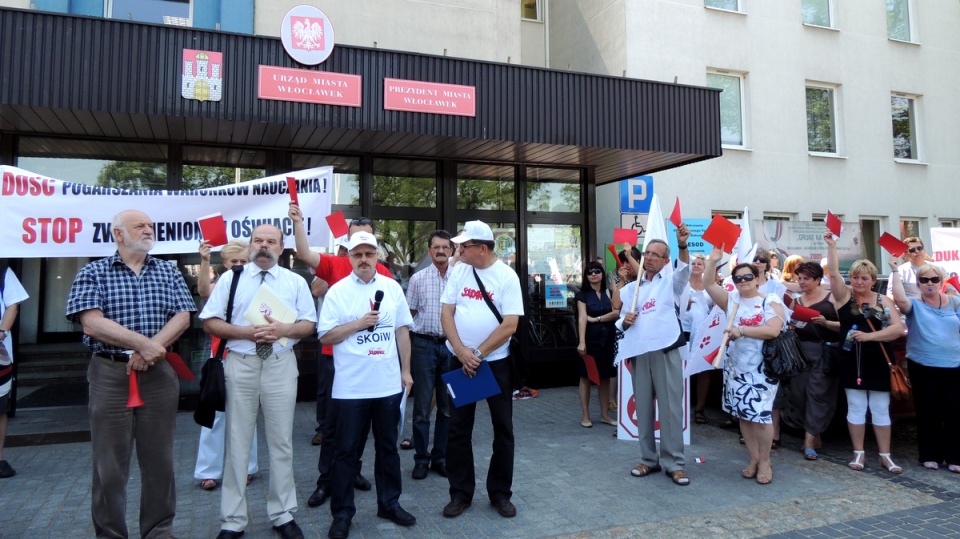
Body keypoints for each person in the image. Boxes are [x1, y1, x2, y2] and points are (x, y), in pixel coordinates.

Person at [65, 210, 196, 538]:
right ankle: (110, 534)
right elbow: (91, 322)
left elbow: (183, 316)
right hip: (110, 373)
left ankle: (158, 531)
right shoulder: (93, 272)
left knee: (160, 462)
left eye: (151, 225)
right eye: (140, 226)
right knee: (109, 466)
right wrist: (142, 344)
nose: (149, 230)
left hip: (158, 375)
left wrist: (152, 350)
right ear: (119, 234)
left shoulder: (168, 270)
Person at [200, 224, 317, 539]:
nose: (264, 246)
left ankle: (282, 514)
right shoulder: (230, 279)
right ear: (250, 246)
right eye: (258, 241)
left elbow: (309, 323)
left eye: (271, 241)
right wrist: (245, 333)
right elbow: (210, 322)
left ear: (281, 248)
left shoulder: (295, 281)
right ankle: (233, 520)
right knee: (237, 442)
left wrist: (284, 330)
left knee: (281, 442)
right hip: (241, 364)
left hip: (280, 364)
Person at [288, 205, 393, 506]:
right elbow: (305, 254)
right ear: (347, 244)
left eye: (367, 241)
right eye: (356, 240)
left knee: (361, 424)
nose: (362, 248)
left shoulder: (383, 272)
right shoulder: (334, 265)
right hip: (335, 356)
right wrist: (298, 222)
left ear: (374, 246)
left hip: (368, 361)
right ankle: (326, 480)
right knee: (332, 425)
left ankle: (351, 471)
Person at [318, 231, 416, 539]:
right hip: (351, 388)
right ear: (349, 257)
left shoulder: (391, 287)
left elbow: (402, 331)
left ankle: (389, 503)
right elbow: (325, 336)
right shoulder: (337, 292)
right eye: (357, 254)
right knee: (346, 452)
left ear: (377, 257)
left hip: (387, 385)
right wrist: (358, 324)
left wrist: (406, 371)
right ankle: (343, 513)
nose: (363, 259)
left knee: (388, 449)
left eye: (368, 254)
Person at [440, 220, 524, 519]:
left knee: (503, 429)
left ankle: (500, 493)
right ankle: (460, 493)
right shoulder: (459, 270)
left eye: (464, 246)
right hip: (461, 362)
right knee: (458, 428)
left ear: (483, 249)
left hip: (496, 364)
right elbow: (446, 312)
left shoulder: (506, 277)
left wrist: (477, 353)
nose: (458, 249)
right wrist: (462, 353)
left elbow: (510, 325)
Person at [615, 223, 692, 487]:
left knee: (671, 408)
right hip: (640, 353)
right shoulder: (631, 289)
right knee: (644, 408)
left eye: (655, 254)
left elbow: (685, 270)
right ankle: (649, 459)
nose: (649, 257)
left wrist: (682, 245)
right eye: (646, 253)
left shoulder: (671, 282)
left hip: (665, 351)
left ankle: (675, 463)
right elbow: (620, 321)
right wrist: (625, 320)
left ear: (665, 260)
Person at [823, 231, 905, 474]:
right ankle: (858, 453)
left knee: (880, 408)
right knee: (856, 407)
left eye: (864, 278)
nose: (858, 282)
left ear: (872, 280)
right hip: (851, 360)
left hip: (879, 359)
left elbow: (897, 329)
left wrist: (869, 336)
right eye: (855, 277)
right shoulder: (844, 297)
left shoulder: (883, 300)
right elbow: (834, 273)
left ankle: (885, 455)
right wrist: (832, 247)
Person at [703, 248, 786, 485]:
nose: (743, 282)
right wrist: (713, 261)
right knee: (744, 416)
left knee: (761, 416)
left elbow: (772, 330)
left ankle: (766, 461)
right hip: (736, 368)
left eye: (747, 277)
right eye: (738, 278)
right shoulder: (732, 301)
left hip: (762, 369)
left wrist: (743, 331)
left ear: (757, 278)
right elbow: (708, 284)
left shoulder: (770, 300)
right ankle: (753, 458)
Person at [193, 240, 259, 491]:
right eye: (234, 262)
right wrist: (204, 261)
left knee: (246, 414)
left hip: (248, 357)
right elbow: (203, 291)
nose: (239, 266)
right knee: (216, 415)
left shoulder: (256, 285)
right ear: (225, 263)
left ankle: (247, 467)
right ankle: (209, 470)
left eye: (244, 261)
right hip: (221, 358)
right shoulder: (221, 284)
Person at [889, 258, 960, 473]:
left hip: (955, 365)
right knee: (928, 411)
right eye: (924, 279)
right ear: (918, 283)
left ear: (941, 281)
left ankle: (955, 456)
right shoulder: (915, 304)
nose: (930, 283)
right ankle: (930, 455)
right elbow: (900, 300)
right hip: (923, 365)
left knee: (955, 412)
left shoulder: (955, 302)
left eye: (934, 279)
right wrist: (895, 271)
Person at [405, 231, 455, 479]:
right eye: (436, 247)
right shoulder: (417, 279)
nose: (441, 251)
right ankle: (421, 459)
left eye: (445, 247)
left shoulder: (460, 278)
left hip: (452, 347)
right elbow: (409, 314)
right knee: (422, 408)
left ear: (452, 250)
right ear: (429, 251)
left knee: (447, 407)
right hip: (424, 346)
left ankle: (441, 457)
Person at [788, 262, 841, 461]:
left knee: (818, 394)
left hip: (824, 350)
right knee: (798, 394)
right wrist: (792, 326)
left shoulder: (831, 298)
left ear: (818, 280)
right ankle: (814, 432)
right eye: (799, 278)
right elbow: (788, 324)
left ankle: (808, 441)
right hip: (800, 352)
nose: (801, 282)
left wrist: (826, 323)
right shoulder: (797, 300)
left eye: (806, 279)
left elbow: (847, 325)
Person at [575, 260, 619, 427]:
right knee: (586, 377)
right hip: (590, 340)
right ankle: (585, 415)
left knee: (605, 377)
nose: (594, 274)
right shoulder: (583, 295)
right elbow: (582, 318)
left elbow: (617, 312)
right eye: (590, 272)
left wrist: (598, 318)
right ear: (586, 276)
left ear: (602, 273)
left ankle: (605, 415)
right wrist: (581, 341)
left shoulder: (609, 292)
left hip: (608, 339)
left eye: (597, 271)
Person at [0, 262, 28, 479]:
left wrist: (1, 332)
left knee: (0, 408)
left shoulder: (2, 270)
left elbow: (13, 304)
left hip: (0, 354)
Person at [682, 254, 715, 425]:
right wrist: (682, 302)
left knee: (703, 371)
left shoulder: (711, 284)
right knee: (680, 370)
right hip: (684, 331)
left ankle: (700, 409)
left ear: (705, 267)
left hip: (705, 333)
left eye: (699, 263)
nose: (695, 266)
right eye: (693, 263)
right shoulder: (681, 283)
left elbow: (718, 305)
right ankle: (679, 406)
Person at [886, 236, 957, 298]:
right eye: (912, 250)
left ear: (924, 250)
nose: (917, 251)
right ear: (905, 254)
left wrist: (941, 303)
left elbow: (951, 291)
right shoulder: (899, 271)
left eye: (919, 248)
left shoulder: (938, 268)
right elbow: (891, 296)